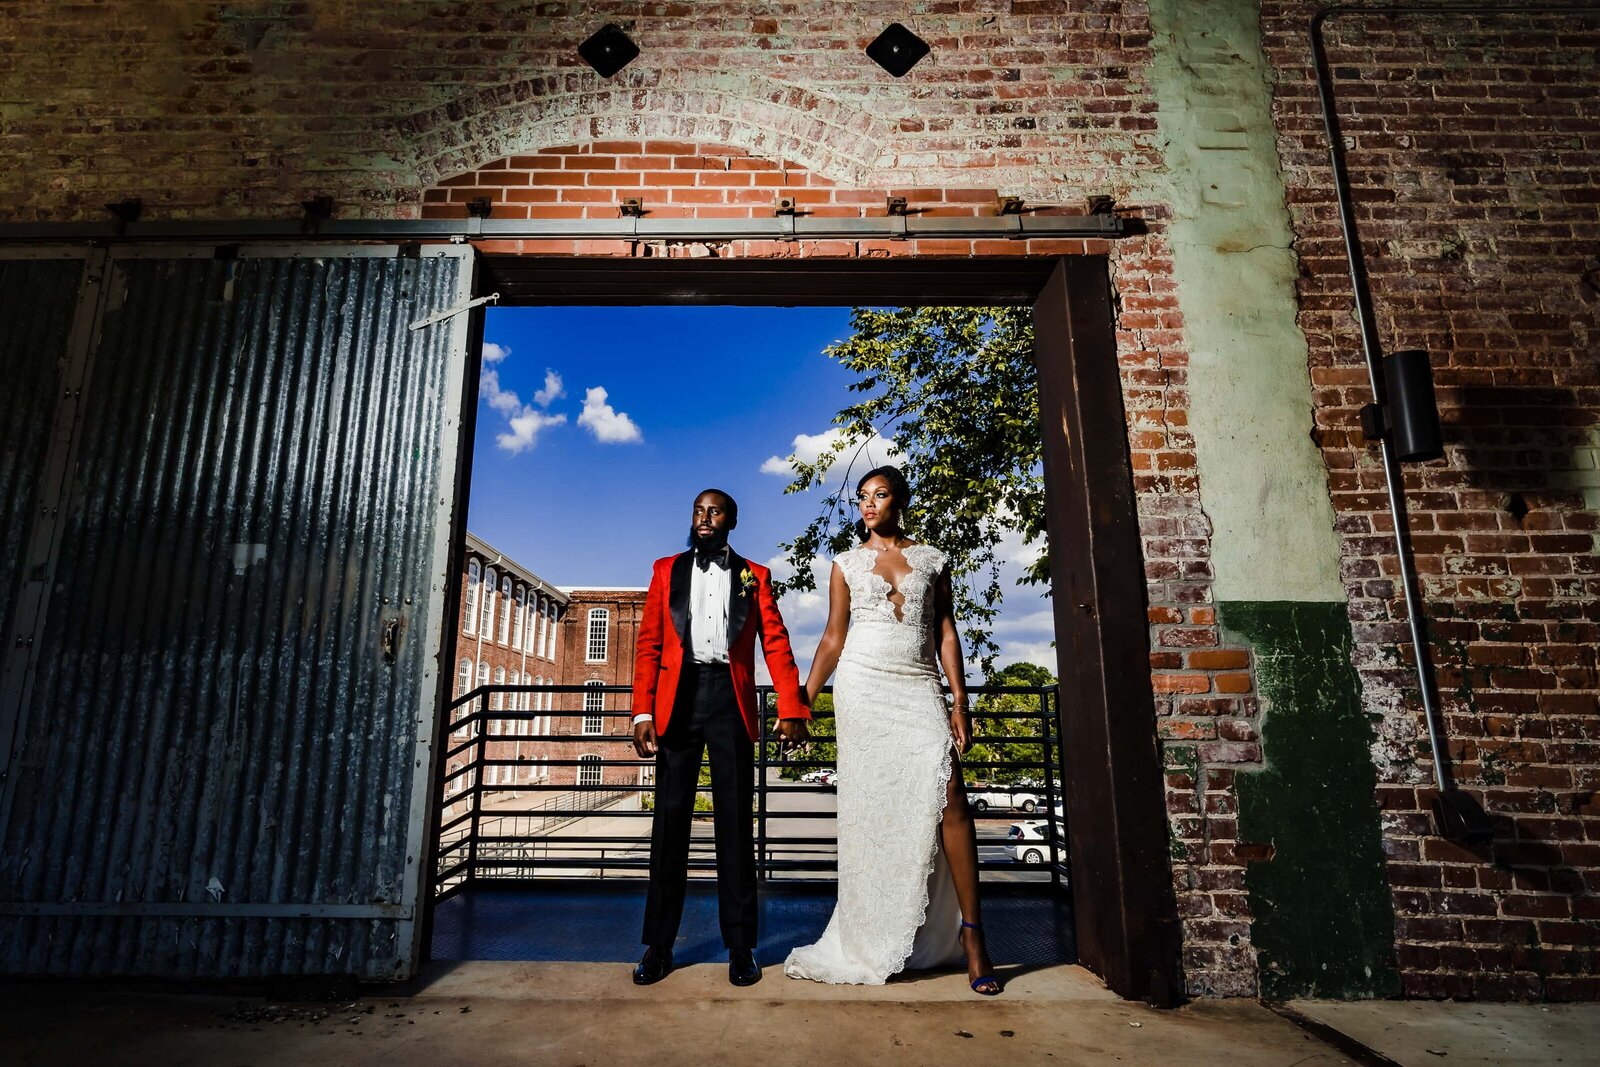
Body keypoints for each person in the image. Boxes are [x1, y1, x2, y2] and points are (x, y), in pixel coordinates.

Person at [784, 465, 1000, 995]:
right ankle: (877, 932)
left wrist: (960, 701)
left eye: (879, 495)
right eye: (862, 497)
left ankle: (973, 936)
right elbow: (834, 639)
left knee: (950, 792)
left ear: (899, 500)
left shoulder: (932, 558)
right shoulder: (845, 563)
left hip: (919, 685)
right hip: (863, 687)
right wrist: (801, 702)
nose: (868, 504)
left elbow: (946, 631)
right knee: (876, 810)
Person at [631, 488, 811, 987]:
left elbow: (775, 641)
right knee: (669, 828)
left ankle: (740, 947)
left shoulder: (754, 576)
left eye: (714, 512)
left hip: (730, 698)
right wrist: (641, 711)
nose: (704, 518)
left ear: (731, 521)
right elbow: (648, 644)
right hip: (677, 698)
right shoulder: (666, 570)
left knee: (735, 826)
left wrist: (792, 706)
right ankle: (658, 947)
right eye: (698, 511)